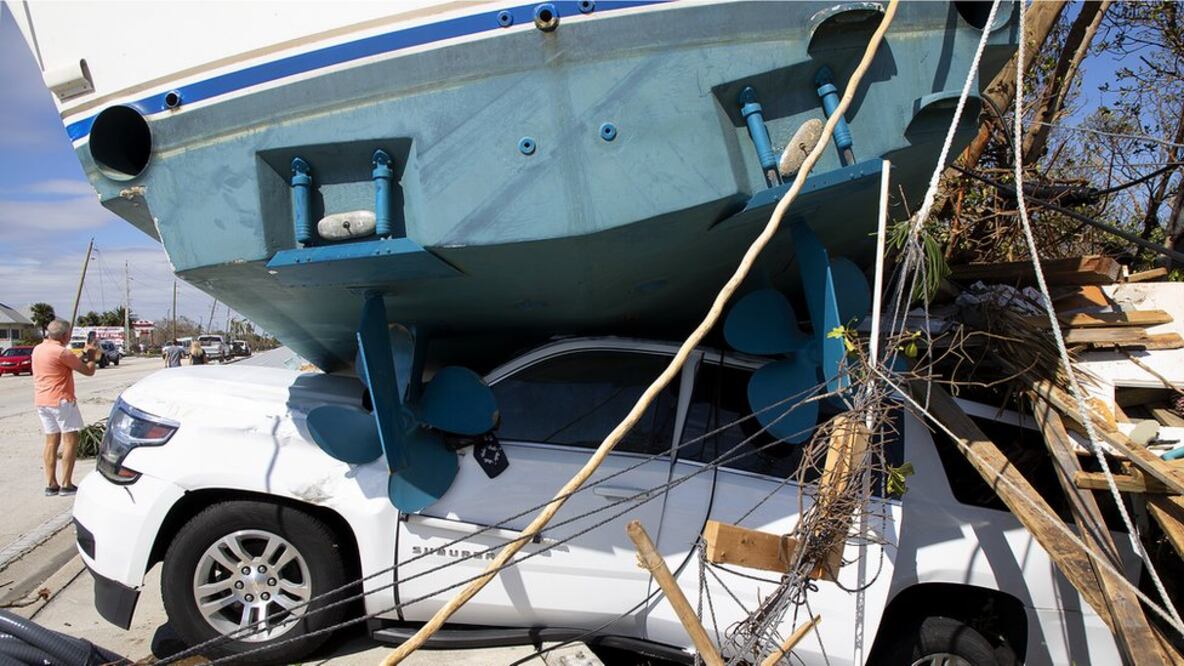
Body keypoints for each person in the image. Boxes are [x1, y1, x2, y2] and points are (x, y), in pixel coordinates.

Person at [32, 319, 97, 496]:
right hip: (61, 400)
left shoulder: (38, 349)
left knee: (51, 441)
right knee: (71, 440)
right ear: (64, 335)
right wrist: (91, 355)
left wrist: (80, 355)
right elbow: (89, 371)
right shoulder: (61, 352)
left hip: (42, 400)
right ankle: (66, 483)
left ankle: (51, 483)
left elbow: (65, 364)